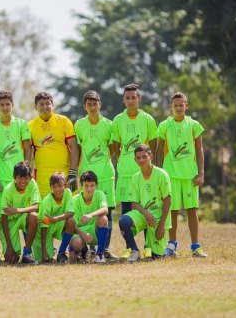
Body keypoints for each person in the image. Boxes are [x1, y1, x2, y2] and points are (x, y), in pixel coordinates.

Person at [156, 92, 207, 258]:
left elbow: (199, 150)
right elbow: (158, 150)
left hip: (190, 176)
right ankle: (172, 245)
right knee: (172, 211)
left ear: (187, 106)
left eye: (181, 104)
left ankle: (195, 247)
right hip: (171, 176)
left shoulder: (194, 125)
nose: (178, 108)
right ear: (171, 107)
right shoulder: (164, 126)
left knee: (192, 210)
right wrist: (158, 173)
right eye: (175, 105)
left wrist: (201, 172)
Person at [112, 84, 157, 260]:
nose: (131, 101)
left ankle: (148, 247)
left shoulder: (148, 119)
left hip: (144, 173)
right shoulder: (117, 120)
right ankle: (130, 248)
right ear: (123, 100)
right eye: (127, 98)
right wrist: (124, 162)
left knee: (146, 207)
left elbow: (154, 146)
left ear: (139, 99)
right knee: (125, 211)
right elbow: (115, 147)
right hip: (125, 173)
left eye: (134, 97)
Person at [74, 90, 117, 259]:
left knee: (107, 211)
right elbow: (77, 149)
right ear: (85, 106)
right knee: (88, 210)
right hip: (86, 176)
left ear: (100, 104)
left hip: (105, 175)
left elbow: (113, 149)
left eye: (95, 103)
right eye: (89, 104)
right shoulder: (79, 125)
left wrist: (102, 164)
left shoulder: (109, 124)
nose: (92, 107)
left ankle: (104, 248)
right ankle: (91, 248)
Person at [119, 144, 172, 263]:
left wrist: (162, 225)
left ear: (151, 156)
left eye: (144, 157)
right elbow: (134, 203)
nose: (141, 160)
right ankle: (134, 250)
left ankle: (169, 250)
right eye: (138, 157)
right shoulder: (135, 178)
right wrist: (146, 213)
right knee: (124, 221)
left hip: (158, 219)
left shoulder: (162, 174)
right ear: (135, 159)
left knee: (156, 256)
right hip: (143, 215)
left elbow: (168, 201)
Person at [28, 92, 80, 197]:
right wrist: (29, 174)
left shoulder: (64, 121)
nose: (45, 106)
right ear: (35, 107)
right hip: (42, 176)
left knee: (68, 208)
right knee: (44, 209)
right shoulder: (30, 126)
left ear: (53, 105)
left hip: (64, 173)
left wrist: (73, 172)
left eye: (48, 103)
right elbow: (28, 151)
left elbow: (74, 147)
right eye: (41, 104)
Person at [0, 90, 32, 204]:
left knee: (20, 209)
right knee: (2, 212)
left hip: (19, 177)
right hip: (1, 177)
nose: (5, 107)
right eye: (2, 105)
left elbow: (28, 149)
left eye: (8, 104)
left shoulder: (21, 124)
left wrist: (26, 171)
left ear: (12, 105)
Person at [0, 161, 40, 264]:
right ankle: (12, 250)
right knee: (11, 259)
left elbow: (36, 206)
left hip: (23, 217)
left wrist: (17, 210)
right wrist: (9, 246)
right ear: (14, 177)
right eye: (20, 178)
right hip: (10, 222)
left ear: (30, 177)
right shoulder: (8, 190)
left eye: (26, 178)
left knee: (33, 216)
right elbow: (3, 218)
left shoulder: (32, 184)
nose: (23, 181)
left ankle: (27, 252)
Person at [32, 172, 75, 263]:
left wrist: (55, 219)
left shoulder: (67, 193)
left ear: (66, 185)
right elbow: (44, 226)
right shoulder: (47, 201)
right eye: (54, 186)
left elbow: (70, 212)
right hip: (44, 230)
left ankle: (61, 253)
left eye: (60, 186)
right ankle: (46, 249)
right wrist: (44, 250)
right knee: (46, 260)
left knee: (71, 221)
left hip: (57, 223)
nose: (57, 189)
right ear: (50, 187)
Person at [69, 170, 109, 263]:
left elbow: (105, 209)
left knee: (103, 218)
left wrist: (90, 215)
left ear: (96, 185)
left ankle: (100, 254)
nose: (89, 189)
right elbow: (71, 226)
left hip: (94, 230)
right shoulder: (74, 200)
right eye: (86, 185)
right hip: (79, 232)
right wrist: (83, 234)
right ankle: (83, 251)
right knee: (76, 243)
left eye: (92, 186)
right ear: (81, 185)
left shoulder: (99, 194)